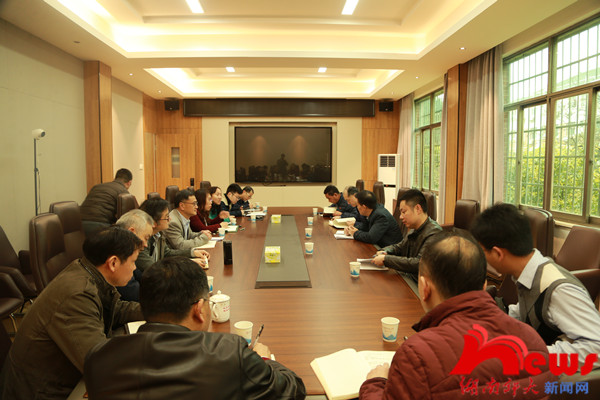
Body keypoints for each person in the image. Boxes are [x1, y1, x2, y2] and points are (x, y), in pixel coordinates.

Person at [359, 232, 553, 399]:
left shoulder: (417, 356)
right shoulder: (535, 342)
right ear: (484, 285)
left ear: (424, 288)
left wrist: (375, 383)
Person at [84, 257, 307, 400]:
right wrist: (264, 359)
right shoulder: (229, 353)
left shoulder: (98, 357)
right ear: (199, 309)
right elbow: (293, 390)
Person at [1, 227, 143, 400]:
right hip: (42, 392)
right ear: (113, 263)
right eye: (133, 262)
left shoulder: (87, 270)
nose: (135, 268)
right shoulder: (77, 295)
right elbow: (100, 365)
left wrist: (158, 312)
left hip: (61, 379)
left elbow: (117, 309)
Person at [471, 203, 600, 369]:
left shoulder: (558, 290)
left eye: (483, 252)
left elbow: (597, 348)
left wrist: (532, 355)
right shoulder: (527, 273)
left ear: (497, 253)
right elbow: (527, 312)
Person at [117, 201, 210, 301]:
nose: (170, 219)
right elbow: (151, 270)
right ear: (154, 222)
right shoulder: (133, 249)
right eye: (166, 217)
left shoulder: (158, 235)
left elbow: (166, 253)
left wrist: (191, 254)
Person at [372, 189, 442, 279]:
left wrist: (386, 259)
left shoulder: (435, 232)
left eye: (404, 212)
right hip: (408, 276)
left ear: (418, 209)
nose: (400, 217)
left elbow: (419, 263)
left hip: (419, 283)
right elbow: (399, 247)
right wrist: (385, 251)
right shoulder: (414, 228)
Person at [80, 168, 133, 237]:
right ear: (129, 183)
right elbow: (125, 218)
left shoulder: (96, 187)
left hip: (80, 225)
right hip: (100, 226)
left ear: (115, 178)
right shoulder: (124, 192)